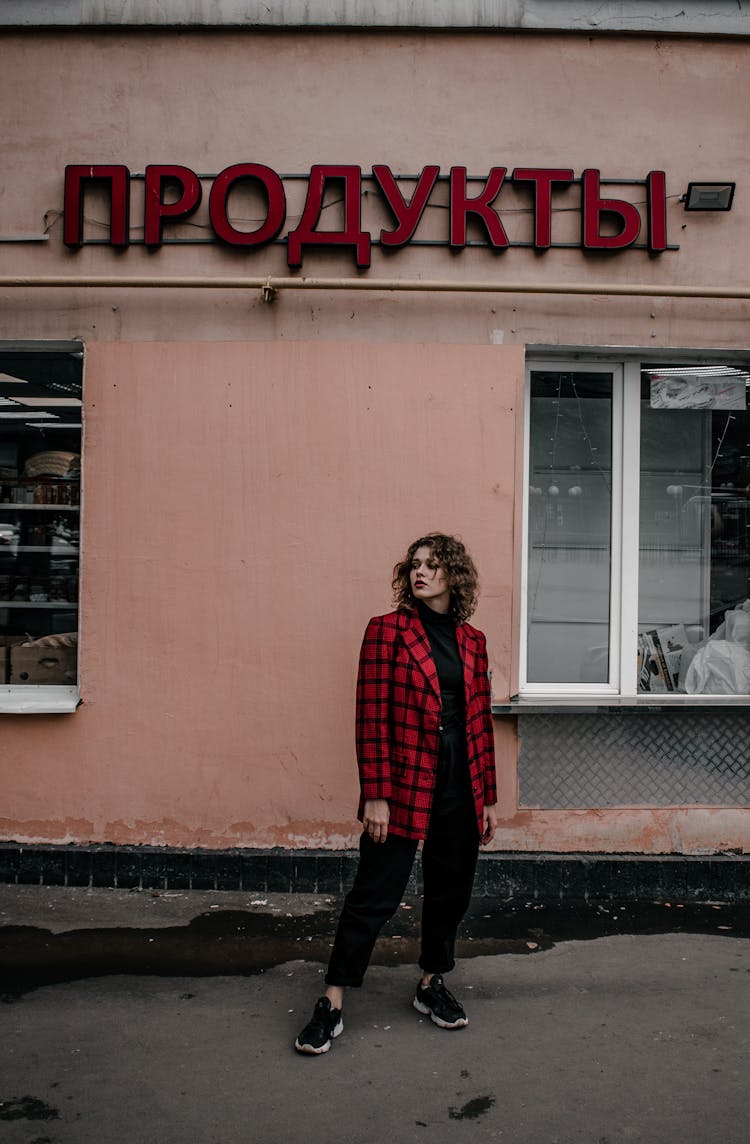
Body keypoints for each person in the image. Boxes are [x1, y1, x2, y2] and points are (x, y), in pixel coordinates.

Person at [294, 532, 498, 1054]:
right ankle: (332, 1002)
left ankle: (431, 985)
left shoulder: (472, 641)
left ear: (454, 575)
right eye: (414, 565)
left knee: (450, 891)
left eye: (432, 565)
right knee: (374, 894)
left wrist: (487, 798)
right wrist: (376, 796)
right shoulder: (387, 632)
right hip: (406, 781)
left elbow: (480, 722)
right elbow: (371, 718)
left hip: (461, 779)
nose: (420, 573)